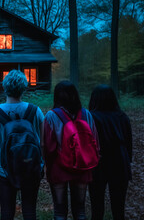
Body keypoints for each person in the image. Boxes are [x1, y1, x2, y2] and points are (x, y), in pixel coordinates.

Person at [0, 70, 44, 220]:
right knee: (30, 210)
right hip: (31, 167)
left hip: (5, 169)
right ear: (24, 88)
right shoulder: (35, 111)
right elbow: (42, 143)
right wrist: (42, 166)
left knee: (6, 211)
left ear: (5, 87)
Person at [43, 81, 99, 220]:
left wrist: (47, 166)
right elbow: (95, 143)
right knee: (80, 210)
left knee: (59, 210)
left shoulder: (51, 116)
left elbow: (48, 147)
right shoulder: (86, 114)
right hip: (83, 165)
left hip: (58, 167)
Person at [88, 84, 132, 220]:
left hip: (98, 163)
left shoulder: (92, 117)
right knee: (119, 208)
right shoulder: (122, 117)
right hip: (120, 161)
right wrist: (128, 161)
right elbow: (128, 143)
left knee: (97, 206)